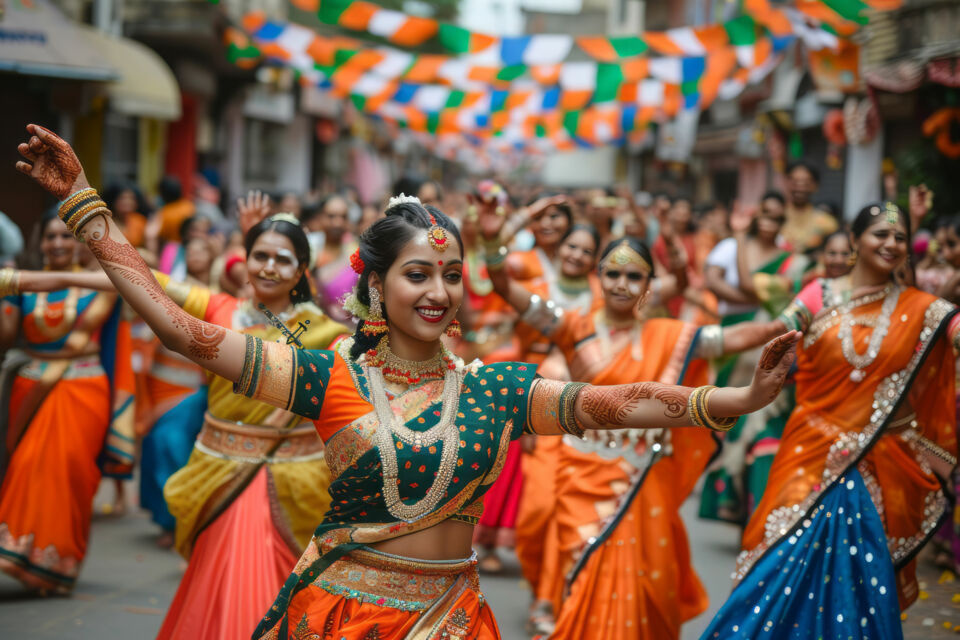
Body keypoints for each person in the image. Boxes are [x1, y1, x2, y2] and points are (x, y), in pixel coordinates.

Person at [13, 123, 796, 639]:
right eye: (417, 274)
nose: (438, 292)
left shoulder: (495, 389)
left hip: (452, 618)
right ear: (376, 286)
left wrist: (740, 398)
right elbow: (180, 328)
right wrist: (85, 206)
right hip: (342, 614)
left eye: (451, 275)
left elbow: (616, 403)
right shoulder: (328, 377)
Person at [13, 209, 347, 637]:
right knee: (220, 581)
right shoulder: (219, 307)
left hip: (293, 483)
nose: (269, 267)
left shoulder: (325, 334)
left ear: (301, 270)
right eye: (260, 255)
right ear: (244, 260)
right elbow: (136, 278)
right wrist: (30, 279)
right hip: (218, 473)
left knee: (278, 588)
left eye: (283, 260)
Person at [483, 203, 788, 638]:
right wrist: (493, 241)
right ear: (599, 276)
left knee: (650, 579)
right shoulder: (570, 325)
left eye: (633, 276)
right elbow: (503, 286)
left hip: (645, 473)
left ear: (648, 286)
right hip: (580, 469)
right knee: (578, 565)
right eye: (612, 274)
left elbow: (728, 338)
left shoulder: (670, 335)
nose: (621, 284)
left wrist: (785, 324)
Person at [701, 202, 959, 639]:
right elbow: (772, 334)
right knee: (780, 559)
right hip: (808, 452)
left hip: (878, 464)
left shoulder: (921, 308)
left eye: (900, 237)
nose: (892, 243)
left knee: (861, 574)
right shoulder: (818, 294)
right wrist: (700, 343)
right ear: (855, 239)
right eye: (880, 234)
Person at [0, 210, 134, 593]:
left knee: (73, 471)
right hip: (31, 384)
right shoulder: (22, 285)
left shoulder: (101, 284)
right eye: (50, 236)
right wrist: (6, 300)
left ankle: (61, 563)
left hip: (84, 385)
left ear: (78, 243)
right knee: (27, 464)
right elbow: (6, 337)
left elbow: (130, 276)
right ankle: (21, 552)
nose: (57, 243)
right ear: (39, 243)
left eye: (65, 236)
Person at [699, 191, 810, 525]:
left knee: (750, 413)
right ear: (756, 215)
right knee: (721, 407)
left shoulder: (790, 260)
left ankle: (736, 493)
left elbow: (752, 286)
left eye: (776, 217)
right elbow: (715, 282)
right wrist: (749, 300)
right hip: (734, 335)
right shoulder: (732, 247)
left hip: (765, 339)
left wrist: (738, 238)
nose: (768, 222)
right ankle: (723, 490)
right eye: (764, 214)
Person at [313, 194, 359, 324]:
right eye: (331, 216)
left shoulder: (355, 254)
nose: (338, 223)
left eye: (343, 217)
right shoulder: (310, 249)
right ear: (320, 218)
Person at [781, 161, 839, 252]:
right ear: (786, 182)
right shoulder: (775, 218)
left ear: (815, 186)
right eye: (795, 183)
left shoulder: (827, 223)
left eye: (805, 183)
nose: (800, 188)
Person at [156, 176, 196, 245]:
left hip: (173, 246)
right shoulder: (189, 205)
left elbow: (161, 236)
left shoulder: (165, 213)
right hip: (190, 244)